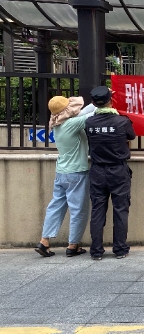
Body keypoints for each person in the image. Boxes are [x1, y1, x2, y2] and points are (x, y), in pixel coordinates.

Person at [35, 96, 95, 258]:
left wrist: (94, 102)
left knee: (55, 206)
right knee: (78, 209)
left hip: (61, 172)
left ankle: (44, 241)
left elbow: (83, 112)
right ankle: (73, 245)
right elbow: (94, 114)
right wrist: (105, 99)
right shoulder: (72, 124)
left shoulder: (57, 124)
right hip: (76, 173)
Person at [85, 86, 135, 260]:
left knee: (98, 210)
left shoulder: (90, 123)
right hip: (118, 171)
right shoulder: (122, 121)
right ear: (111, 100)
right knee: (120, 209)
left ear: (93, 103)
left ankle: (96, 251)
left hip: (97, 170)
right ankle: (120, 249)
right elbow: (131, 136)